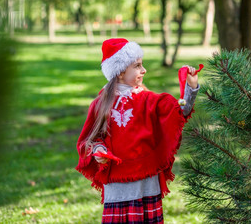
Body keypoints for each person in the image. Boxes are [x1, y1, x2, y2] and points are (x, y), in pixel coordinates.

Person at [75, 38, 199, 224]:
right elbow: (90, 140)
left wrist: (190, 87)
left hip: (146, 182)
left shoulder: (150, 100)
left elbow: (180, 111)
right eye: (138, 66)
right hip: (117, 185)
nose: (144, 70)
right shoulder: (100, 105)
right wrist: (98, 151)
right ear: (121, 71)